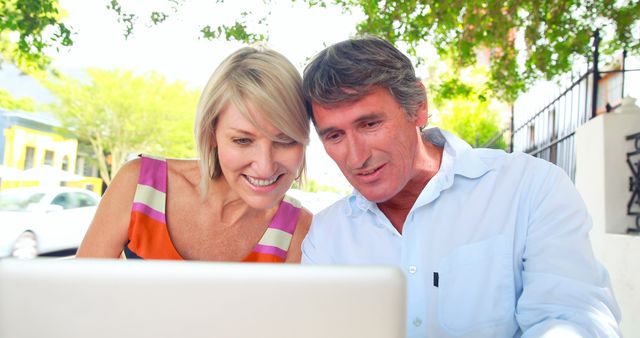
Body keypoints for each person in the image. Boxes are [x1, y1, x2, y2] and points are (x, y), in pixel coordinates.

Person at [300, 36, 621, 337]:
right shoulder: (326, 236)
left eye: (369, 124)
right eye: (334, 135)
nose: (356, 157)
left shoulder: (530, 189)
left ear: (418, 107)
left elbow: (573, 319)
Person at [77, 47, 312, 263]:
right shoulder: (139, 186)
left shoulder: (300, 231)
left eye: (286, 140)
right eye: (242, 140)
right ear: (211, 133)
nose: (265, 167)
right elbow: (79, 293)